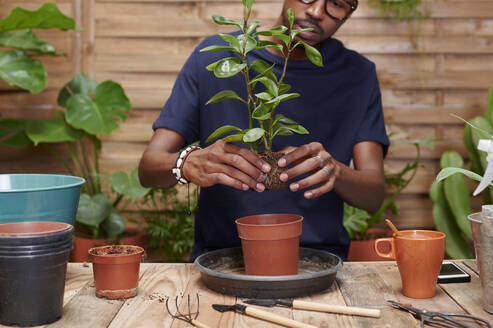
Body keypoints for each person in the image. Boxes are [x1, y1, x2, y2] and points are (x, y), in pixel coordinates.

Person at [139, 0, 389, 261]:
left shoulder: (358, 75)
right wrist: (186, 162)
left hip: (320, 261)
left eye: (336, 4)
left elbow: (373, 195)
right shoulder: (216, 58)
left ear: (350, 12)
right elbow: (148, 168)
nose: (316, 12)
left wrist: (336, 172)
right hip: (220, 258)